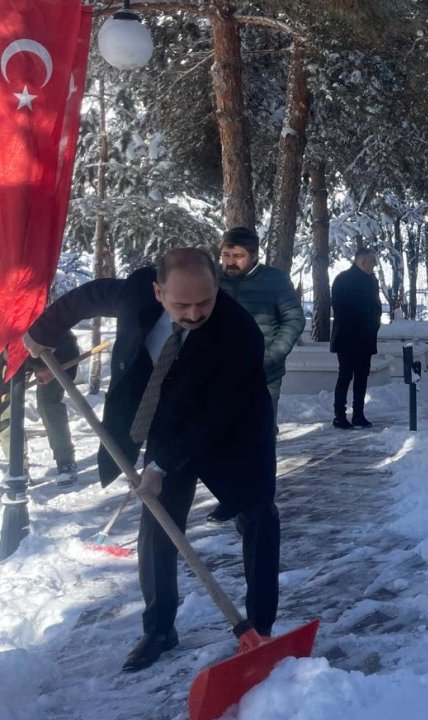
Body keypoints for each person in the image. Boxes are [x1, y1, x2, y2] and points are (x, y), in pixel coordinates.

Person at [23, 248, 279, 673]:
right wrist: (43, 329)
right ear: (158, 292)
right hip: (166, 416)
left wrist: (159, 466)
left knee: (258, 516)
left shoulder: (239, 332)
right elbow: (88, 296)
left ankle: (262, 628)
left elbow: (218, 414)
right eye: (182, 304)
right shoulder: (135, 293)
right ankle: (159, 629)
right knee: (159, 521)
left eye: (205, 301)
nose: (195, 314)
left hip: (233, 431)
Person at [209, 227, 304, 523]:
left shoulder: (274, 280)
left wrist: (272, 356)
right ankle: (231, 499)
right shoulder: (212, 279)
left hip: (263, 376)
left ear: (254, 256)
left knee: (259, 439)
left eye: (238, 256)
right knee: (221, 437)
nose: (230, 261)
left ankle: (260, 505)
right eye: (226, 255)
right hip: (219, 375)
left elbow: (294, 319)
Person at [0, 329, 80, 484]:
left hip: (55, 353)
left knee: (47, 404)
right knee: (5, 410)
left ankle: (66, 462)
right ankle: (17, 467)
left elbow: (63, 343)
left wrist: (43, 367)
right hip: (14, 358)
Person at [330, 248, 381, 429]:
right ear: (363, 262)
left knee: (362, 377)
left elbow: (376, 306)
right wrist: (357, 326)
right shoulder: (343, 279)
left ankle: (359, 414)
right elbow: (340, 309)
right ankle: (339, 416)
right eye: (372, 261)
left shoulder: (372, 280)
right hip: (347, 338)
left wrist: (374, 325)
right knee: (345, 376)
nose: (374, 265)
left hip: (365, 337)